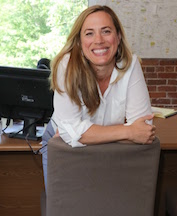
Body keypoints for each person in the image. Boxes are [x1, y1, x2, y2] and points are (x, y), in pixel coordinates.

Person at [41, 5, 156, 188]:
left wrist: (81, 134)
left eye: (106, 31)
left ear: (118, 37)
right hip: (62, 148)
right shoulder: (67, 66)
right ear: (79, 41)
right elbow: (70, 135)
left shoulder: (131, 64)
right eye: (89, 33)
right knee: (66, 205)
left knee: (106, 203)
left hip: (109, 148)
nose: (99, 40)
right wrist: (129, 131)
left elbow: (143, 130)